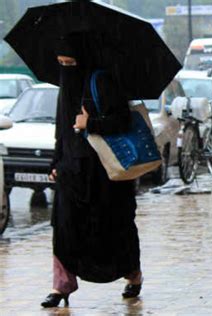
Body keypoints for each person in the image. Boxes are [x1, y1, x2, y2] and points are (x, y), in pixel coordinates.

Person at [41, 35, 142, 308]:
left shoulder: (102, 81)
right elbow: (62, 131)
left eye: (70, 62)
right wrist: (55, 163)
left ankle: (132, 274)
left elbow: (122, 120)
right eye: (61, 63)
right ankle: (61, 285)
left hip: (104, 176)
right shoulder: (66, 88)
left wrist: (90, 123)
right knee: (64, 228)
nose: (66, 68)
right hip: (71, 171)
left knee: (112, 228)